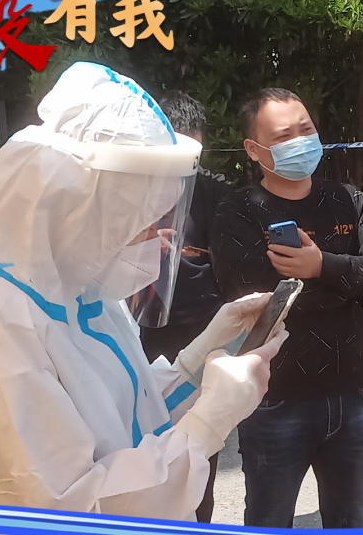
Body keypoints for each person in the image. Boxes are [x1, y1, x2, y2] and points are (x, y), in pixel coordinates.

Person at [0, 62, 290, 520]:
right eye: (136, 217)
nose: (154, 235)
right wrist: (208, 423)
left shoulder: (76, 289)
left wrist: (199, 361)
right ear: (75, 206)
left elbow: (127, 419)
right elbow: (73, 510)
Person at [210, 88, 363, 529]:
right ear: (254, 149)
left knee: (351, 520)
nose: (300, 142)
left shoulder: (350, 200)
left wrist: (322, 266)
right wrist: (346, 281)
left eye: (306, 130)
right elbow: (250, 296)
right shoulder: (238, 212)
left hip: (351, 392)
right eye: (284, 136)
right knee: (269, 519)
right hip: (274, 397)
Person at [139, 91, 232, 524]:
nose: (185, 161)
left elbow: (229, 263)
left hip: (201, 330)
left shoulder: (214, 193)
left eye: (194, 150)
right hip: (144, 331)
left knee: (200, 450)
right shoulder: (133, 188)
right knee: (146, 437)